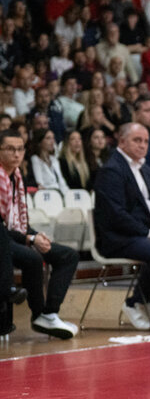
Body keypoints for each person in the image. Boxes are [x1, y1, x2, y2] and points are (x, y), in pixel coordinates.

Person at [93, 122, 150, 329]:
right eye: (137, 140)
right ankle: (135, 302)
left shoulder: (145, 169)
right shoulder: (111, 170)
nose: (143, 145)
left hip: (147, 234)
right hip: (119, 237)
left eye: (146, 141)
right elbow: (116, 215)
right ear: (122, 142)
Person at [0, 129, 80, 338]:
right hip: (3, 240)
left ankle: (49, 313)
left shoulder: (17, 176)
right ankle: (36, 313)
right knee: (33, 258)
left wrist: (35, 235)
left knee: (68, 255)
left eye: (20, 149)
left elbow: (17, 220)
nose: (16, 154)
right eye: (10, 149)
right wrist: (30, 239)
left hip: (16, 235)